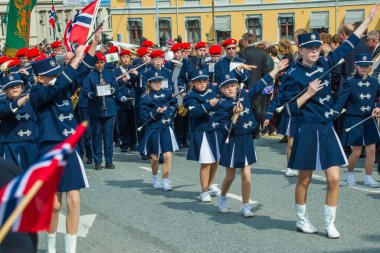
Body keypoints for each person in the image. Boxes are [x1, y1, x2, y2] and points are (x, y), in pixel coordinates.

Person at [282, 4, 378, 239]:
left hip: (325, 128)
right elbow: (288, 109)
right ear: (301, 50)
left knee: (334, 178)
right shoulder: (293, 75)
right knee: (304, 179)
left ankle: (329, 223)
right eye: (310, 49)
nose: (315, 52)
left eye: (317, 47)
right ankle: (302, 220)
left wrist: (368, 21)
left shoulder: (325, 63)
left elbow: (349, 44)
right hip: (306, 129)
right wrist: (307, 93)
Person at [29, 32, 99, 253]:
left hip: (69, 147)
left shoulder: (62, 84)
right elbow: (60, 84)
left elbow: (82, 70)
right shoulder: (37, 92)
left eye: (54, 74)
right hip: (49, 149)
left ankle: (70, 250)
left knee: (74, 201)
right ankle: (51, 246)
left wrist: (93, 44)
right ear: (40, 78)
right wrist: (75, 57)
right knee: (55, 205)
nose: (54, 77)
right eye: (50, 75)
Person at [217, 60, 288, 217]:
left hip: (246, 139)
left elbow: (261, 84)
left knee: (246, 175)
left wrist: (276, 70)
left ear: (237, 86)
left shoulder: (244, 94)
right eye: (226, 87)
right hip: (232, 141)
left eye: (232, 85)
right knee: (229, 176)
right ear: (222, 90)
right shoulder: (221, 105)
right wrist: (235, 115)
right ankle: (222, 197)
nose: (230, 89)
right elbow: (225, 131)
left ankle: (246, 205)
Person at [333, 54, 380, 188]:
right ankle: (350, 173)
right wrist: (333, 114)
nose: (364, 68)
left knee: (371, 150)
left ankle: (368, 177)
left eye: (366, 66)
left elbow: (378, 97)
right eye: (361, 66)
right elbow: (341, 100)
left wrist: (377, 107)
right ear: (356, 66)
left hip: (369, 119)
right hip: (354, 119)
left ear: (370, 66)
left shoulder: (374, 81)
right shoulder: (350, 81)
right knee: (357, 151)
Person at [183, 69, 222, 202]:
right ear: (193, 83)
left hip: (215, 129)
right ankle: (204, 191)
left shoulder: (212, 91)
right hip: (202, 131)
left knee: (216, 160)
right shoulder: (190, 96)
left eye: (204, 80)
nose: (202, 83)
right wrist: (209, 104)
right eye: (199, 81)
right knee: (206, 162)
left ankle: (211, 184)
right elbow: (195, 112)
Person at [138, 70, 178, 191]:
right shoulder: (145, 97)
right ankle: (155, 177)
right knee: (155, 157)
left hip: (166, 125)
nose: (157, 84)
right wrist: (155, 112)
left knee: (167, 154)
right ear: (149, 83)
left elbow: (173, 104)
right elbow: (143, 114)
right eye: (154, 82)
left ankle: (166, 180)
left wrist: (169, 111)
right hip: (153, 127)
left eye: (159, 82)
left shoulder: (167, 92)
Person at [82, 53, 120, 170]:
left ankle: (109, 161)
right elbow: (85, 91)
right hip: (95, 109)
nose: (100, 65)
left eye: (102, 62)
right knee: (96, 136)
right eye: (98, 63)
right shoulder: (90, 75)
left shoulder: (110, 73)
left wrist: (110, 89)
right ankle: (97, 161)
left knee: (108, 136)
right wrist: (94, 94)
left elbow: (116, 88)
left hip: (109, 109)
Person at [0, 73, 38, 170]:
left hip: (31, 143)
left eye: (17, 85)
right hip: (11, 145)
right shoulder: (3, 102)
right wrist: (22, 100)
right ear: (5, 91)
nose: (14, 88)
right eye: (10, 87)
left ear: (22, 87)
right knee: (12, 177)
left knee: (33, 175)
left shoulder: (31, 100)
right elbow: (4, 111)